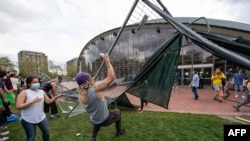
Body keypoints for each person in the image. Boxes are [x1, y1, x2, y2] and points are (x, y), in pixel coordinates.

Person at [75, 53, 125, 141]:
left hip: (94, 119)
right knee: (117, 112)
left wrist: (91, 82)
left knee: (96, 124)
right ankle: (119, 131)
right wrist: (107, 62)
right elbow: (111, 77)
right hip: (105, 119)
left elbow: (88, 88)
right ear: (88, 81)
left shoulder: (81, 94)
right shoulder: (96, 89)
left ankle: (93, 138)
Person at [16, 76, 63, 141]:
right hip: (28, 119)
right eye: (34, 82)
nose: (37, 83)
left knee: (46, 133)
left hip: (41, 117)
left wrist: (56, 97)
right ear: (29, 84)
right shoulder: (24, 93)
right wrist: (32, 101)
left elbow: (48, 101)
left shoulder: (42, 92)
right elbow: (18, 106)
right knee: (31, 138)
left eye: (38, 82)